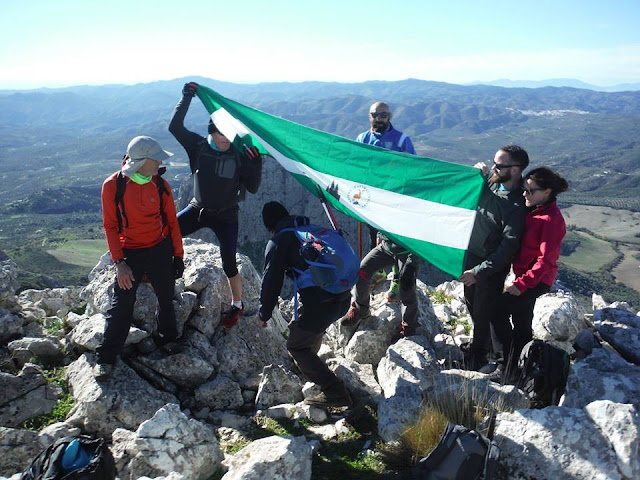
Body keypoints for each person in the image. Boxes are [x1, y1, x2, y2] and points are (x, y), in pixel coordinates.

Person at [169, 81, 262, 328]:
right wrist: (186, 97)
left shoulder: (239, 153)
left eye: (229, 135)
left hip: (227, 215)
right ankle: (164, 277)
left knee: (229, 261)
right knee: (165, 234)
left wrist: (255, 165)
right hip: (198, 209)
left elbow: (252, 187)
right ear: (212, 132)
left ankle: (237, 305)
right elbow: (174, 127)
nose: (227, 139)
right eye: (222, 134)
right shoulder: (197, 146)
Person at [95, 136, 184, 378]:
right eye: (156, 159)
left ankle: (167, 339)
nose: (160, 163)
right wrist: (119, 263)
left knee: (166, 297)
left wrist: (178, 256)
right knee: (122, 304)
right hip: (130, 252)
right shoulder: (113, 186)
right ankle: (105, 358)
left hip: (159, 248)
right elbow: (110, 226)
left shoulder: (161, 185)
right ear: (142, 161)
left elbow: (172, 223)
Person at [258, 201, 352, 408]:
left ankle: (335, 391)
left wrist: (264, 314)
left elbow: (271, 281)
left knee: (296, 346)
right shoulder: (308, 231)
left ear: (270, 227)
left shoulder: (279, 241)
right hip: (343, 297)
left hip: (322, 305)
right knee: (303, 327)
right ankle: (310, 365)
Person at [489, 167, 568, 381]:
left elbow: (546, 261)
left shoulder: (551, 220)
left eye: (530, 191)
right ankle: (522, 365)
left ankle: (505, 366)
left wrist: (521, 284)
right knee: (522, 321)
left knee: (496, 311)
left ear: (547, 192)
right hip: (526, 277)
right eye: (524, 189)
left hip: (536, 281)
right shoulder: (535, 210)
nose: (525, 194)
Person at [458, 145, 529, 371]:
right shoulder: (491, 182)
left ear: (515, 170)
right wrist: (475, 175)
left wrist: (478, 272)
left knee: (483, 311)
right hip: (471, 255)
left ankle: (478, 357)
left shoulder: (518, 205)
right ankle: (483, 346)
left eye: (499, 165)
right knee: (471, 303)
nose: (494, 167)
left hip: (490, 266)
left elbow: (507, 248)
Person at [356, 101, 416, 303]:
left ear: (389, 117)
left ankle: (396, 278)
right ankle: (380, 272)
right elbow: (355, 164)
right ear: (369, 116)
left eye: (383, 115)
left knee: (394, 241)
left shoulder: (401, 140)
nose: (379, 119)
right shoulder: (362, 139)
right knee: (374, 235)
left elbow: (414, 167)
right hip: (371, 199)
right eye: (375, 115)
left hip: (394, 200)